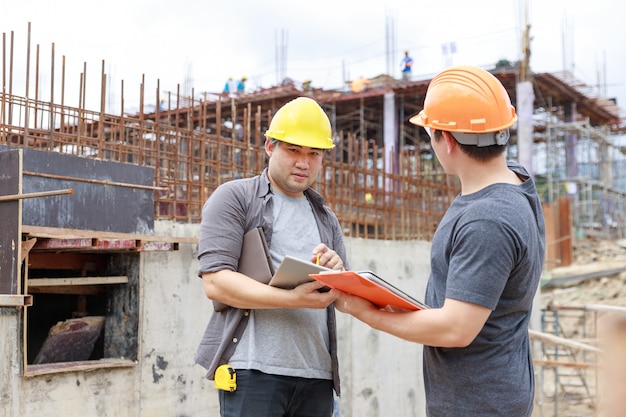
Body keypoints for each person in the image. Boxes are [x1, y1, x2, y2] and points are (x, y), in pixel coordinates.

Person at [334, 65, 545, 417]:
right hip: (492, 393)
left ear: (446, 140)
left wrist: (365, 312)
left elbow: (456, 328)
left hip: (478, 404)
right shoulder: (516, 185)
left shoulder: (487, 218)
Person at [195, 96, 349, 417]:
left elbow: (343, 300)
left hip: (317, 375)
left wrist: (339, 274)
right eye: (293, 150)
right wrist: (294, 298)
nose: (304, 162)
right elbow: (216, 283)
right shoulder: (235, 198)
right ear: (269, 147)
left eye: (314, 154)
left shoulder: (326, 218)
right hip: (254, 373)